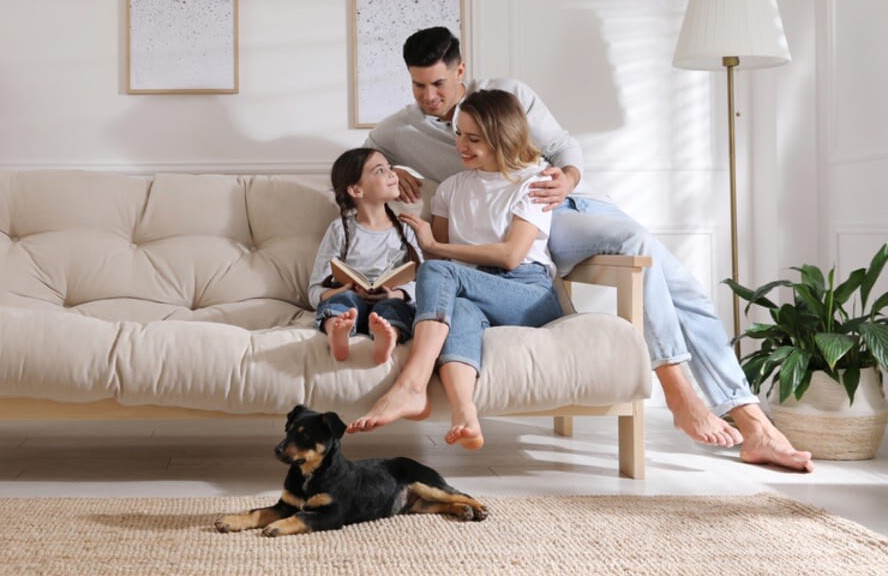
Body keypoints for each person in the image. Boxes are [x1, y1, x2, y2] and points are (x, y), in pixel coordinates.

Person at [349, 26, 813, 472]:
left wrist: (563, 181)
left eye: (438, 83)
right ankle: (724, 413)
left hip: (562, 206)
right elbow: (361, 159)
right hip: (511, 230)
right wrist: (392, 167)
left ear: (460, 70)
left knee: (678, 285)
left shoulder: (508, 95)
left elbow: (564, 148)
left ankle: (722, 409)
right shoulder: (403, 131)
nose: (429, 96)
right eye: (417, 86)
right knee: (655, 266)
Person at [391, 89, 564, 449]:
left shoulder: (535, 182)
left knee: (443, 274)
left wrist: (435, 247)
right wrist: (427, 254)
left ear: (502, 137)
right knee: (462, 310)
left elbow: (512, 255)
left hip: (527, 293)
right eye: (458, 135)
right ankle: (465, 412)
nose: (461, 146)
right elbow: (438, 264)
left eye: (474, 139)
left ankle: (412, 384)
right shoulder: (451, 189)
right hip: (473, 290)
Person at [308, 148, 423, 364]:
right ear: (356, 190)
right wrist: (341, 290)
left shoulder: (405, 229)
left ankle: (388, 337)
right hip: (351, 300)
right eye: (380, 170)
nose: (392, 174)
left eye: (390, 167)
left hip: (389, 299)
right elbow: (314, 289)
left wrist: (396, 294)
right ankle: (337, 331)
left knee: (394, 309)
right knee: (343, 301)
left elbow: (423, 283)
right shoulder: (339, 230)